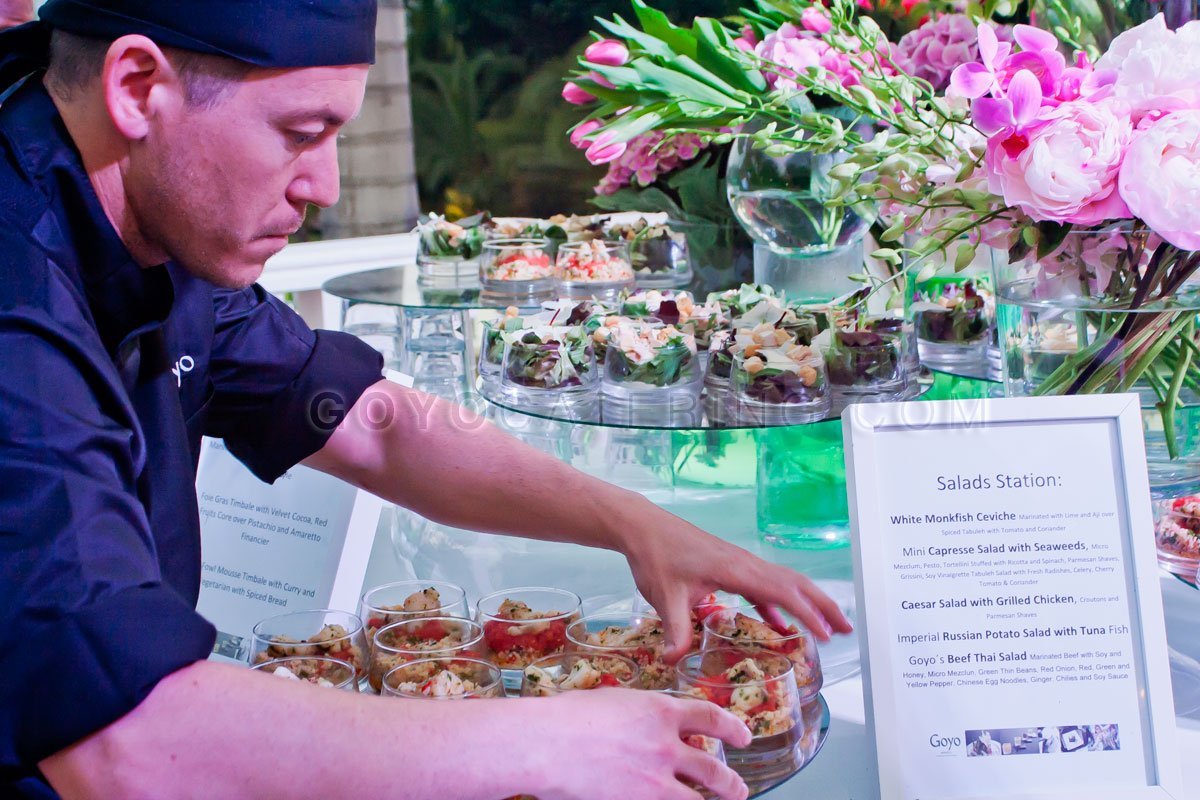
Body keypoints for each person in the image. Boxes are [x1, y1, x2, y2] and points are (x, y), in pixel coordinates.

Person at [0, 2, 852, 798]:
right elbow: (125, 740)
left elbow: (378, 424)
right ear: (137, 88)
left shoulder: (155, 223)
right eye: (300, 134)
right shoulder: (18, 300)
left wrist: (633, 523)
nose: (324, 187)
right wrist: (545, 740)